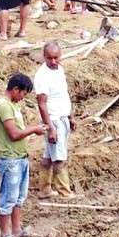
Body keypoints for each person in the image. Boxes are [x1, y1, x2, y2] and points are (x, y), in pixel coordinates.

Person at [0, 73, 46, 237]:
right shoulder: (4, 106)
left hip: (20, 157)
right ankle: (5, 235)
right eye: (23, 93)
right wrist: (34, 129)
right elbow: (14, 134)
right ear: (15, 89)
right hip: (10, 159)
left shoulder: (13, 105)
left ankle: (16, 230)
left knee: (18, 198)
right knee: (8, 198)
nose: (23, 97)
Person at [33, 42, 76, 199]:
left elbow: (64, 95)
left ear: (60, 55)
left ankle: (44, 189)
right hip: (54, 120)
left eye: (56, 58)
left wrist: (70, 116)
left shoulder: (60, 69)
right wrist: (50, 128)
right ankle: (65, 192)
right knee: (59, 157)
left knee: (49, 156)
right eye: (49, 58)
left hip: (62, 117)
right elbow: (42, 104)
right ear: (44, 57)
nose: (53, 61)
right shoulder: (42, 76)